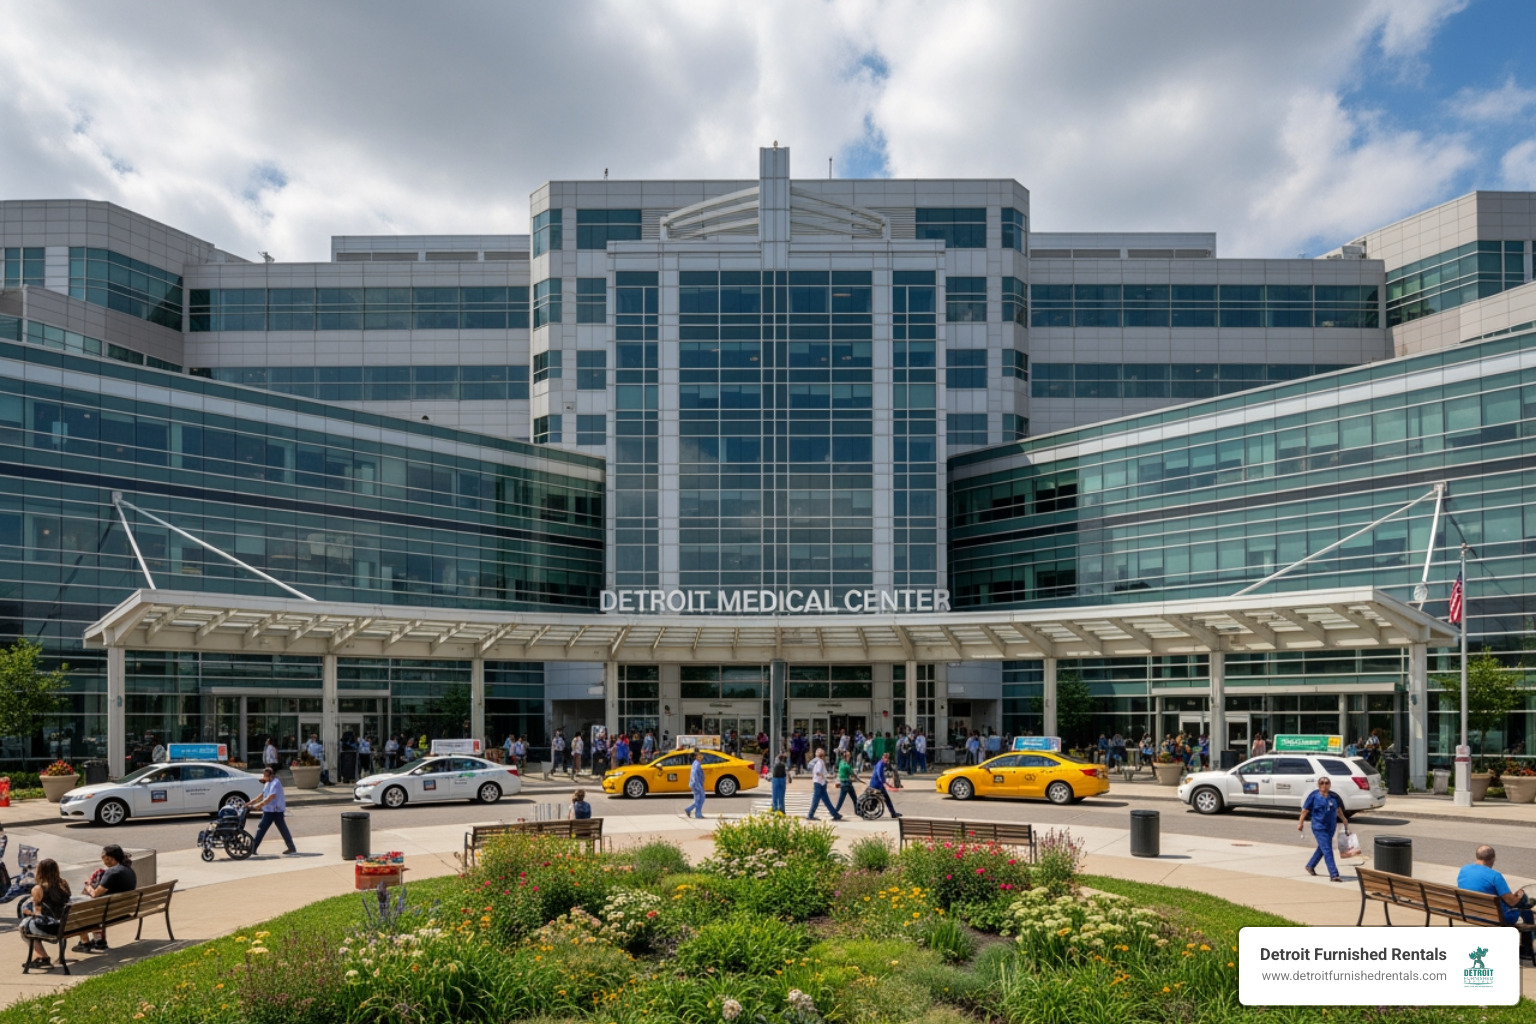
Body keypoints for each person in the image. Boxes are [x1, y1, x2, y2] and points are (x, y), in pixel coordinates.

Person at [1457, 845, 1535, 964]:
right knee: (1526, 908)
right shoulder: (1495, 876)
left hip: (1469, 911)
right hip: (1495, 916)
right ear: (1493, 859)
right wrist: (1520, 895)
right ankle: (1526, 950)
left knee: (1521, 906)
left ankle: (1526, 948)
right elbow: (1511, 902)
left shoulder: (1464, 869)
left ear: (1477, 856)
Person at [76, 845, 137, 951]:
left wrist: (88, 886)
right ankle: (99, 941)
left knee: (80, 909)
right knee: (98, 908)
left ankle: (85, 942)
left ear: (109, 858)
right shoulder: (129, 870)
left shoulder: (111, 872)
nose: (103, 860)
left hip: (110, 913)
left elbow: (95, 894)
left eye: (103, 857)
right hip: (124, 909)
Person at [20, 858, 70, 969]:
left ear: (40, 872)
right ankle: (43, 957)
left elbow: (38, 914)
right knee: (28, 924)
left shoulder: (38, 889)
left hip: (51, 928)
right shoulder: (63, 884)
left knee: (24, 927)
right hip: (66, 925)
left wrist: (28, 912)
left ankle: (42, 957)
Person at [1296, 777, 1347, 882]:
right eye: (1322, 783)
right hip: (1319, 827)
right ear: (1319, 785)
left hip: (1331, 827)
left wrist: (1344, 820)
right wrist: (1300, 823)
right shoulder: (1314, 796)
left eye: (1326, 783)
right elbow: (1305, 810)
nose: (1324, 785)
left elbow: (1338, 810)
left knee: (1323, 848)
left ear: (1330, 784)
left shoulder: (1333, 797)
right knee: (1328, 850)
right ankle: (1334, 874)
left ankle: (1310, 865)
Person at [248, 765, 300, 857]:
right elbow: (263, 794)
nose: (264, 778)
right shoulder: (268, 783)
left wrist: (259, 806)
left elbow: (271, 797)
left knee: (262, 828)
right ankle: (291, 848)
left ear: (271, 775)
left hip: (275, 811)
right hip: (269, 810)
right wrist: (251, 802)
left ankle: (253, 848)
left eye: (265, 776)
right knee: (279, 829)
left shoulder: (276, 783)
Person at [805, 747, 844, 821]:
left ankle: (835, 814)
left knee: (826, 801)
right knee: (816, 800)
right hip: (819, 784)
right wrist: (825, 778)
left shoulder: (818, 762)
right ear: (822, 756)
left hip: (821, 784)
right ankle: (810, 815)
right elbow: (818, 772)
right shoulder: (820, 762)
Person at [868, 752, 901, 818]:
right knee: (887, 799)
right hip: (877, 785)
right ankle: (893, 813)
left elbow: (881, 775)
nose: (887, 760)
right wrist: (884, 783)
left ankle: (893, 813)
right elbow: (879, 774)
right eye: (886, 758)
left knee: (883, 798)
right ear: (883, 758)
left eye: (887, 758)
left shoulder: (880, 763)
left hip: (875, 784)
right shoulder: (881, 764)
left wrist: (886, 783)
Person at [832, 751, 861, 816]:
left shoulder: (841, 762)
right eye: (848, 756)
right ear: (846, 757)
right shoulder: (846, 765)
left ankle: (857, 811)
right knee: (853, 799)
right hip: (847, 784)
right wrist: (857, 778)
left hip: (844, 783)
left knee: (843, 800)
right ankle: (835, 812)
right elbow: (852, 773)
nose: (849, 757)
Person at [684, 750, 707, 819]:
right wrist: (697, 785)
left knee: (698, 799)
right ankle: (696, 813)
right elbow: (694, 775)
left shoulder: (696, 763)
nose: (702, 758)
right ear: (697, 757)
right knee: (701, 798)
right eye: (700, 757)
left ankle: (693, 811)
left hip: (697, 784)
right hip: (696, 784)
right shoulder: (696, 764)